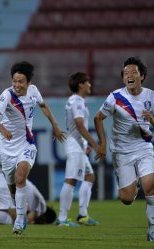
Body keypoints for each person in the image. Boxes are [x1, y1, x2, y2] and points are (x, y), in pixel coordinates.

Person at [0, 61, 65, 235]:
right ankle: (20, 211)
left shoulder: (34, 91)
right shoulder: (6, 95)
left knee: (21, 175)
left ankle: (20, 219)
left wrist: (55, 125)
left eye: (21, 81)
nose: (16, 85)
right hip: (6, 148)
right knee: (13, 188)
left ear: (28, 82)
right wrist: (3, 130)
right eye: (14, 81)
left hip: (26, 143)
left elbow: (43, 105)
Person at [94, 57, 154, 242]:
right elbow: (98, 118)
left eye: (133, 72)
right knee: (126, 199)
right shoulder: (115, 97)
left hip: (143, 147)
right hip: (121, 152)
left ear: (142, 75)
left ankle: (152, 231)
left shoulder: (152, 96)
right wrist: (102, 144)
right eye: (126, 73)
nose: (129, 75)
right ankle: (132, 185)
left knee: (151, 186)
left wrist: (152, 120)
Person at [57, 72, 100, 227]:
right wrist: (95, 145)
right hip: (75, 145)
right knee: (71, 180)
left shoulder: (74, 100)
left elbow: (76, 127)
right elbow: (80, 125)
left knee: (89, 177)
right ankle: (62, 218)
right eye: (87, 82)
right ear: (81, 84)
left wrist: (84, 145)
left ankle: (83, 214)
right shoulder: (78, 102)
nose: (90, 85)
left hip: (77, 145)